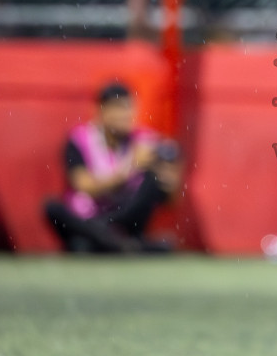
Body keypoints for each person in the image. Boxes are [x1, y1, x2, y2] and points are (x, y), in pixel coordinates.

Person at [43, 82, 182, 254]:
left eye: (128, 108)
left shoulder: (146, 141)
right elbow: (84, 186)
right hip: (91, 217)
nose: (124, 115)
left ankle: (105, 243)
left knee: (83, 244)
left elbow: (168, 198)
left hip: (125, 217)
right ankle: (127, 245)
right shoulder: (80, 140)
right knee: (53, 209)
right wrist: (130, 167)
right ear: (101, 111)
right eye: (118, 108)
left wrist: (170, 181)